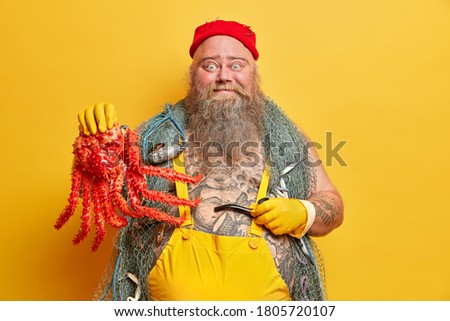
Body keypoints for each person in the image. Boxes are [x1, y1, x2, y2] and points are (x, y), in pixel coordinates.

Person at [78, 19, 343, 301]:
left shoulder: (286, 136)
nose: (224, 76)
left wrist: (305, 213)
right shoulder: (155, 134)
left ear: (254, 74)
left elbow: (333, 205)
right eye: (211, 65)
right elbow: (108, 199)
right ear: (193, 75)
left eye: (237, 65)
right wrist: (93, 151)